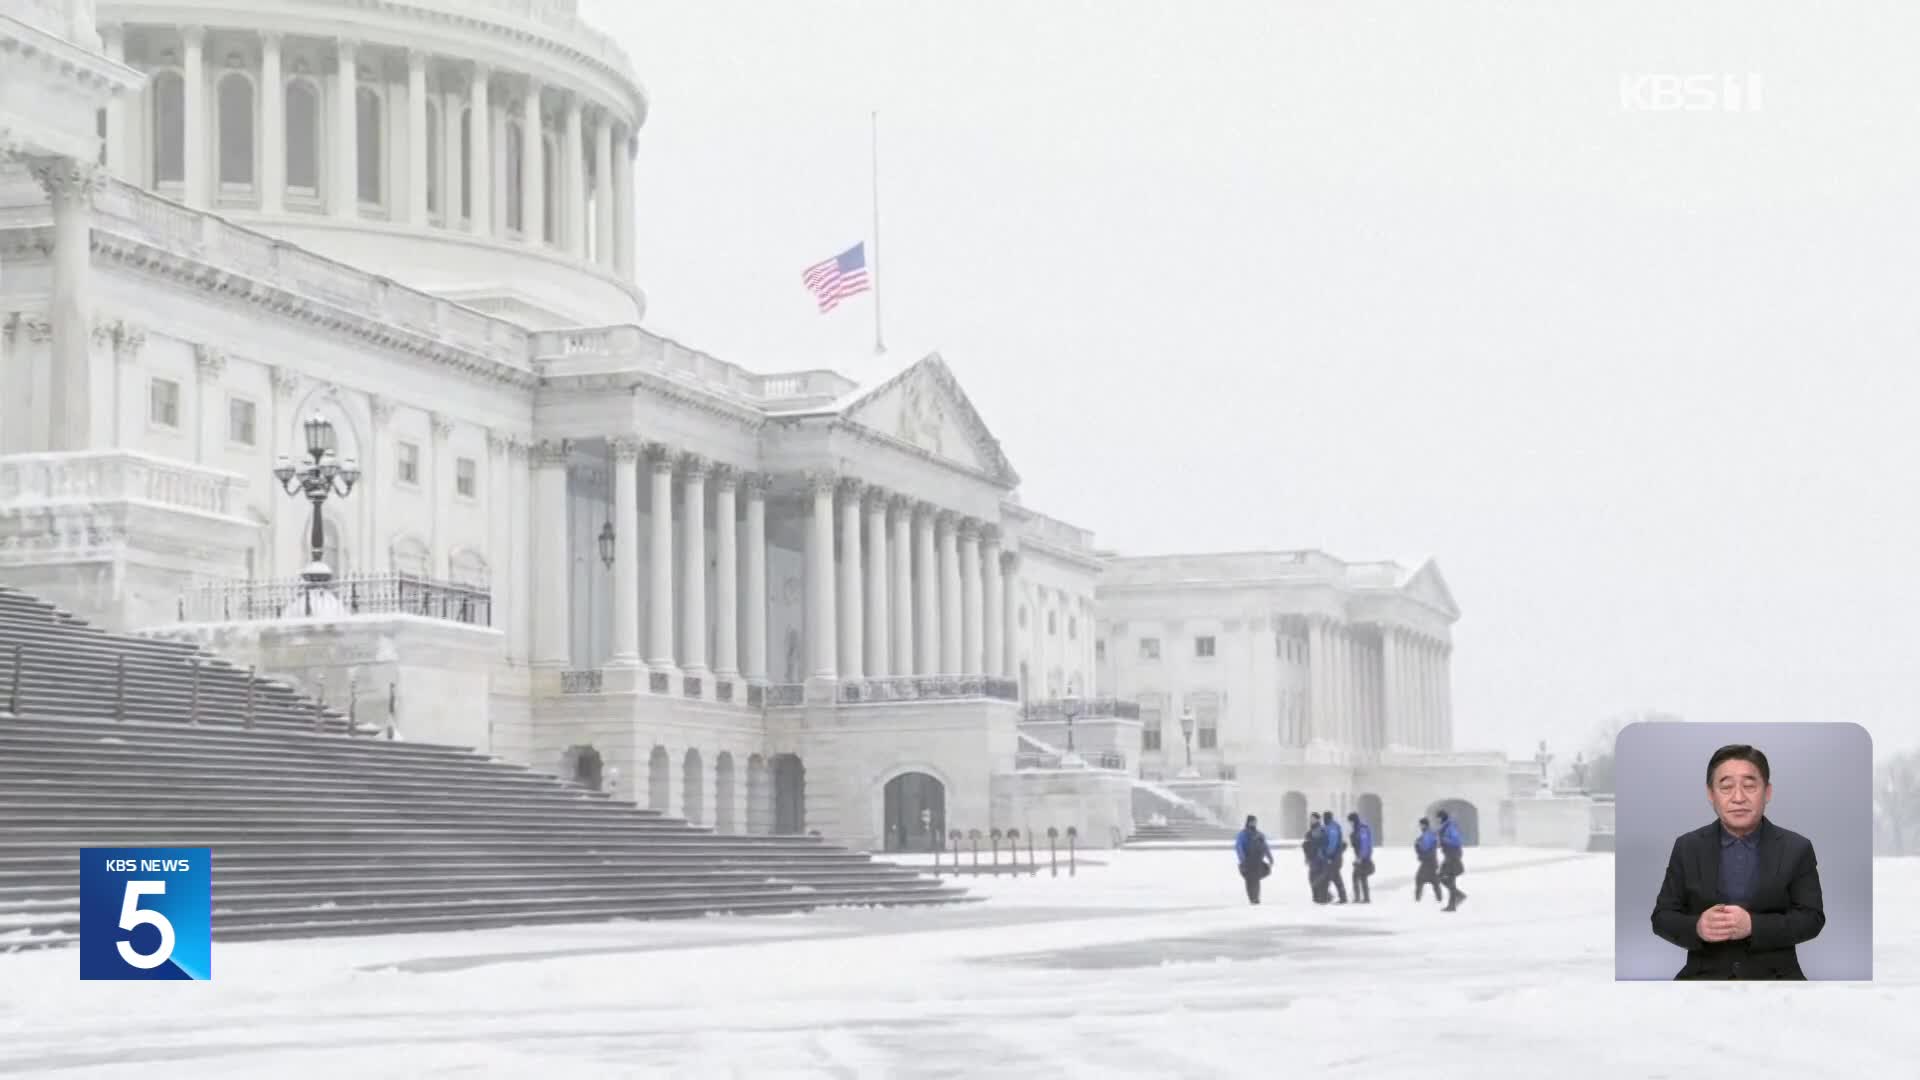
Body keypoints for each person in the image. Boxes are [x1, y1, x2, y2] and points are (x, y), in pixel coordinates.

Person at [1649, 743, 1825, 979]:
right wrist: (1698, 927)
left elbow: (1812, 919)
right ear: (1711, 794)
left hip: (1777, 979)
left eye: (1750, 786)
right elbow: (1662, 917)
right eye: (1726, 787)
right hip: (1703, 980)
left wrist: (1753, 926)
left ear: (1768, 792)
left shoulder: (1796, 848)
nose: (1738, 797)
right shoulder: (1687, 847)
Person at [1235, 815, 1274, 904]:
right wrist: (1242, 859)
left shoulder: (1259, 834)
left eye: (1255, 821)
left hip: (1257, 860)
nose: (1254, 823)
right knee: (1250, 880)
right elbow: (1239, 847)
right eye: (1252, 821)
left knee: (1255, 879)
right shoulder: (1243, 834)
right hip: (1248, 861)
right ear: (1248, 822)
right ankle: (1253, 898)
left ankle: (1255, 898)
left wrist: (1270, 858)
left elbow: (1265, 847)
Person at [1436, 809, 1467, 911]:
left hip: (1453, 855)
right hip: (1449, 854)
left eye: (1439, 818)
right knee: (1450, 879)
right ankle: (1452, 905)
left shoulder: (1450, 827)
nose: (1438, 820)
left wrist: (1443, 839)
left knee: (1443, 876)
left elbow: (1456, 840)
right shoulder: (1445, 827)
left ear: (1442, 817)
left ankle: (1458, 896)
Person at [1320, 808, 1349, 904]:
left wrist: (1328, 855)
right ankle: (1327, 896)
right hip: (1334, 857)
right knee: (1331, 877)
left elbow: (1332, 843)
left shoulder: (1332, 828)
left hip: (1333, 858)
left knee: (1333, 878)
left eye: (1325, 818)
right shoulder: (1330, 827)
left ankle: (1329, 897)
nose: (1324, 819)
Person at [1413, 818, 1443, 904]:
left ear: (1424, 825)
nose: (1420, 827)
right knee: (1434, 880)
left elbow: (1425, 847)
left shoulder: (1427, 834)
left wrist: (1418, 844)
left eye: (1421, 825)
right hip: (1432, 861)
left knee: (1419, 879)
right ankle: (1439, 898)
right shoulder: (1430, 834)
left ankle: (1417, 900)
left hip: (1428, 861)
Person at [1346, 812, 1374, 903]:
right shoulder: (1356, 830)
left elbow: (1365, 844)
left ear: (1353, 821)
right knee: (1361, 877)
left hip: (1363, 857)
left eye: (1350, 821)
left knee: (1358, 877)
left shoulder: (1362, 830)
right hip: (1360, 857)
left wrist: (1360, 857)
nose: (1349, 824)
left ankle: (1361, 898)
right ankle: (1364, 898)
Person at [1304, 813, 1328, 902]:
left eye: (1313, 818)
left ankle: (1322, 896)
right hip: (1312, 857)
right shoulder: (1309, 832)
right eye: (1310, 818)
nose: (1311, 820)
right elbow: (1306, 845)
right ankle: (1316, 896)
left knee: (1318, 877)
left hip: (1318, 858)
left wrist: (1320, 853)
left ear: (1318, 819)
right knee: (1312, 877)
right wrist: (1306, 857)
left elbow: (1322, 843)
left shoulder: (1321, 830)